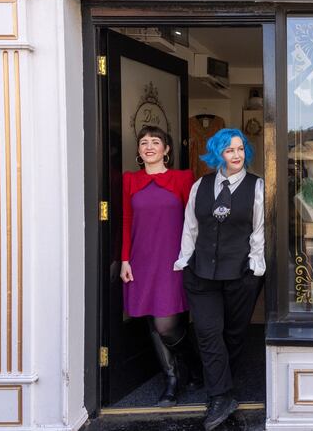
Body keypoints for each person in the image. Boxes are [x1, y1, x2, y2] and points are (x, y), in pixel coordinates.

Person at [174, 128, 265, 431]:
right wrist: (184, 261)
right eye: (229, 150)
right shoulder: (200, 186)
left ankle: (225, 387)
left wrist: (255, 268)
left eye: (240, 149)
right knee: (208, 333)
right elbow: (191, 227)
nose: (236, 155)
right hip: (201, 273)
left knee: (234, 334)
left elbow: (259, 231)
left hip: (240, 272)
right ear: (218, 154)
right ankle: (221, 396)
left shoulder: (257, 186)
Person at [120, 125, 201, 406]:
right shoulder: (130, 180)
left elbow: (194, 222)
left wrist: (192, 257)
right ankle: (172, 379)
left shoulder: (183, 179)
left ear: (167, 150)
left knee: (166, 324)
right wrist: (125, 260)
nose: (149, 146)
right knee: (153, 321)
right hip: (141, 261)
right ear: (139, 151)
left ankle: (191, 362)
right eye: (144, 142)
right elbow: (127, 221)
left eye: (156, 142)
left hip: (173, 260)